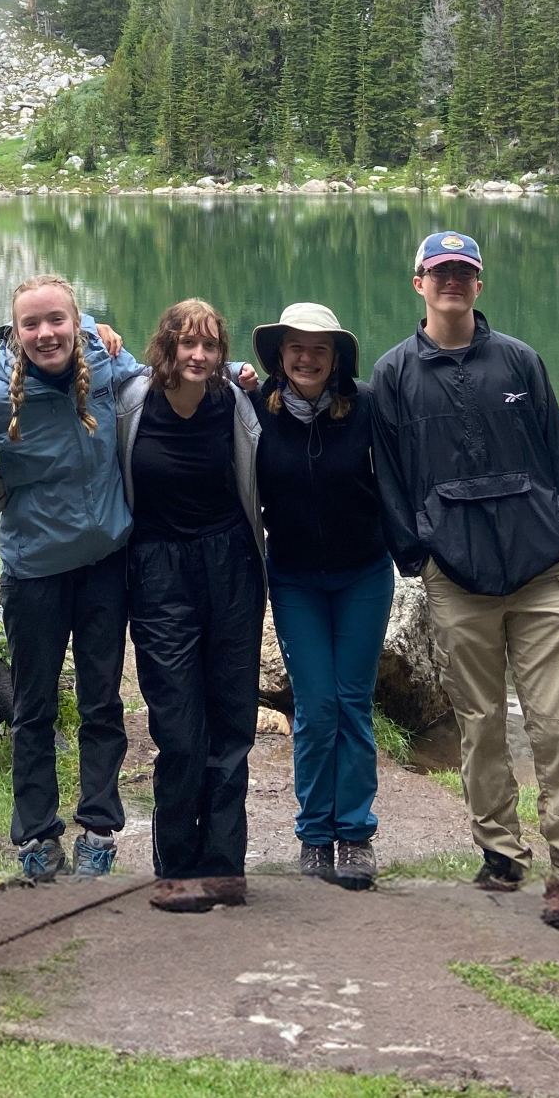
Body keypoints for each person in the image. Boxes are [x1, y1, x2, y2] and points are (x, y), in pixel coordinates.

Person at [370, 229, 559, 932]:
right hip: (457, 578)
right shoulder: (393, 374)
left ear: (479, 283)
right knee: (479, 724)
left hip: (541, 573)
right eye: (439, 272)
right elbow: (390, 476)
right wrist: (421, 557)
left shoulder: (520, 361)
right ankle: (501, 851)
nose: (451, 282)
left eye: (463, 272)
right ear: (418, 284)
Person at [0, 275, 143, 885]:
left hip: (104, 565)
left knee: (101, 701)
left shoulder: (109, 366)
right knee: (34, 708)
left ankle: (98, 826)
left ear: (77, 321)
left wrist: (242, 374)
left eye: (56, 320)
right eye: (31, 324)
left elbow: (171, 383)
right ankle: (36, 833)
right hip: (34, 570)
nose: (45, 334)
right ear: (15, 332)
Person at [116, 298, 268, 913]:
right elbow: (69, 369)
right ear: (167, 348)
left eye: (210, 345)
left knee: (232, 719)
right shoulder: (131, 400)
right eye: (188, 344)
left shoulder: (233, 401)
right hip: (157, 571)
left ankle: (224, 865)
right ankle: (177, 866)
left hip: (231, 562)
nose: (199, 355)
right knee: (178, 726)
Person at [250, 301, 390, 891]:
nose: (307, 358)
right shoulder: (254, 409)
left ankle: (354, 834)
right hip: (294, 576)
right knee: (315, 706)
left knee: (353, 703)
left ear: (337, 359)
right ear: (279, 356)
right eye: (296, 347)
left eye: (319, 349)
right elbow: (181, 380)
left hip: (363, 573)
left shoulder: (366, 407)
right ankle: (313, 834)